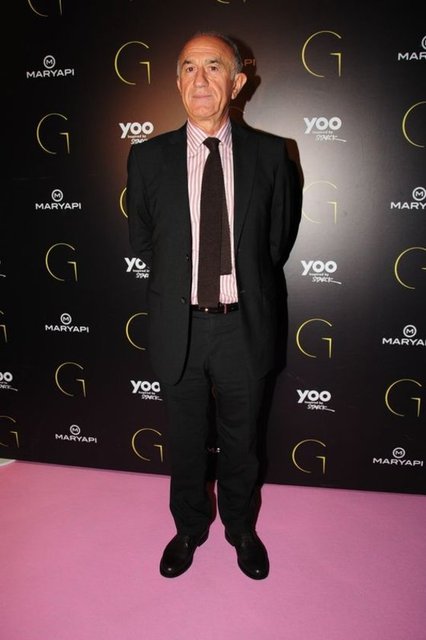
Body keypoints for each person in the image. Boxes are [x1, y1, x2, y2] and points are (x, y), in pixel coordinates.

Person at [126, 31, 296, 580]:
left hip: (243, 325)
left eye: (214, 66)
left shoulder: (271, 155)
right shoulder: (146, 158)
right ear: (177, 81)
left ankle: (241, 528)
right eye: (188, 67)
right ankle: (189, 527)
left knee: (242, 441)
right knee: (184, 440)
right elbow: (144, 241)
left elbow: (275, 243)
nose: (200, 79)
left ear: (238, 81)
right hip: (179, 325)